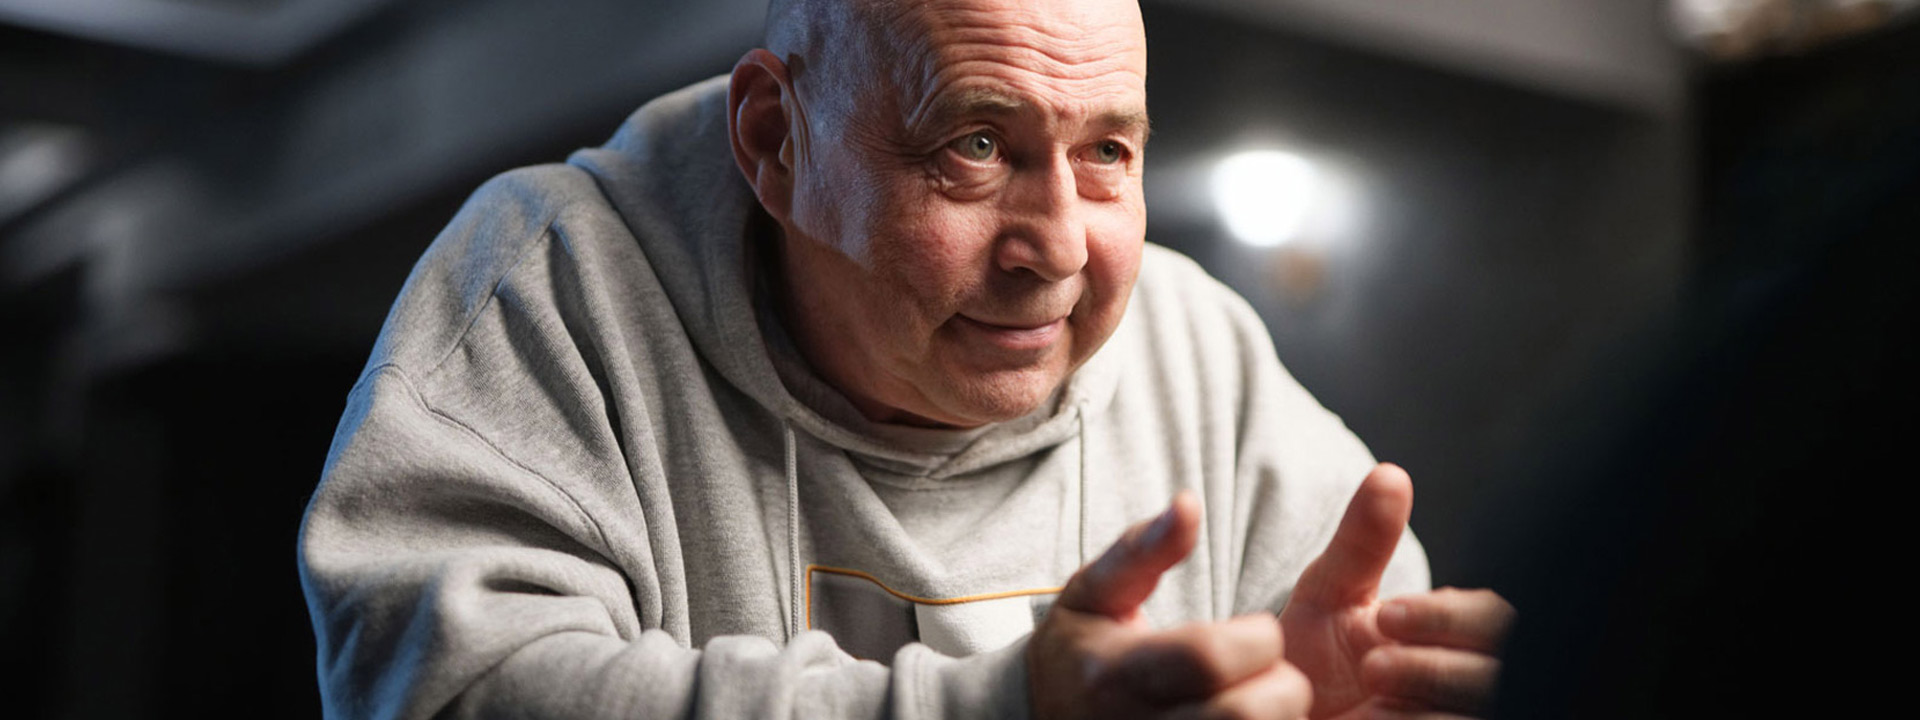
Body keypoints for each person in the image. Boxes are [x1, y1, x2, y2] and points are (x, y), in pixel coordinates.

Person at [297, 0, 1513, 717]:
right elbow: (448, 693)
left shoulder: (1201, 355)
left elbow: (1360, 670)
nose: (1058, 248)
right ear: (776, 139)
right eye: (975, 145)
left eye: (1107, 152)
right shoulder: (551, 288)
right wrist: (1000, 710)